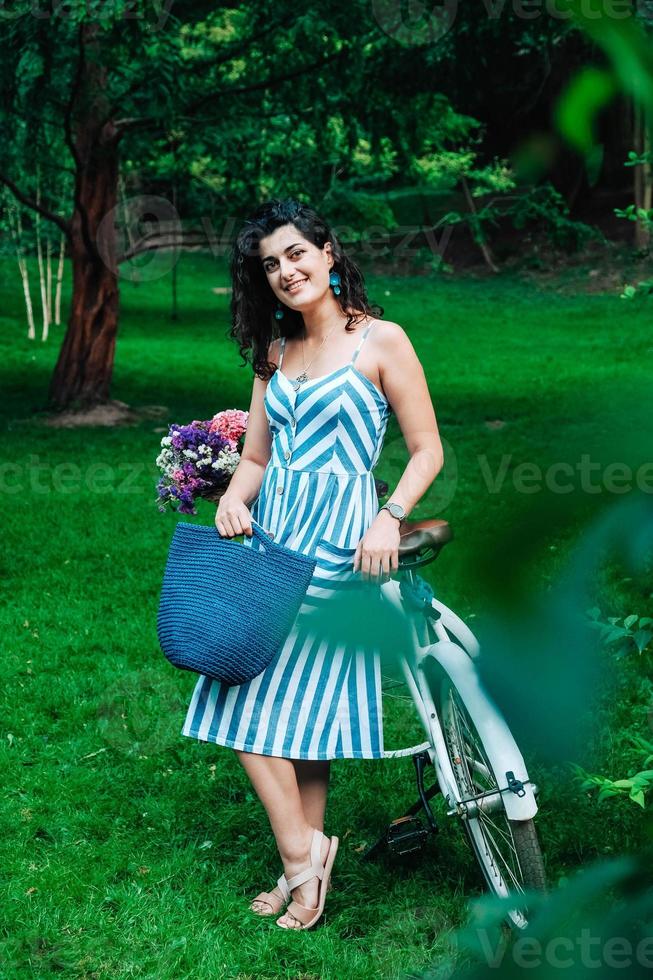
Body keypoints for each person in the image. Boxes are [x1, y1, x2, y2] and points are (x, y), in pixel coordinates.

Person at [181, 197, 443, 930]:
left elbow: (426, 450)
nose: (286, 271)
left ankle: (301, 865)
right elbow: (258, 455)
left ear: (328, 254)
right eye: (270, 264)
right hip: (272, 539)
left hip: (343, 544)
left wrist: (389, 517)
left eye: (296, 253)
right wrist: (233, 498)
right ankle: (304, 859)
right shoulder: (275, 352)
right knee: (243, 695)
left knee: (296, 714)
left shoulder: (382, 341)